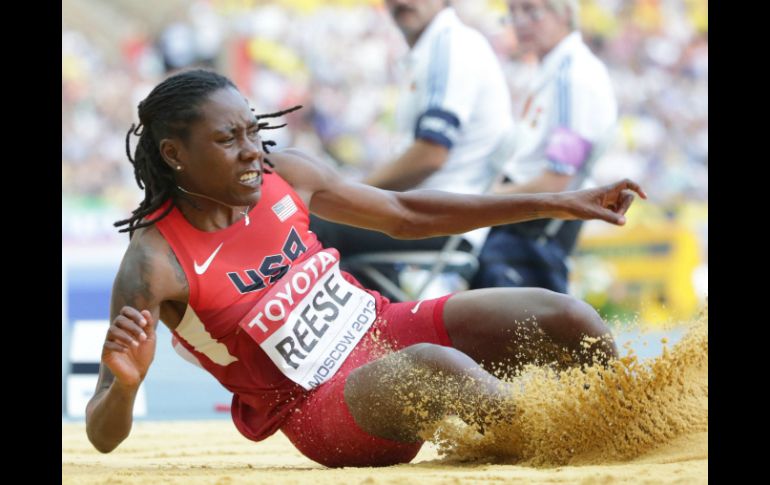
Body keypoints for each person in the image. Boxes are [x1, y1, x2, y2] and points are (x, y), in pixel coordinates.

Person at [85, 69, 645, 468]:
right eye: (228, 140)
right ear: (174, 154)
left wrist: (558, 201)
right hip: (322, 407)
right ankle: (577, 449)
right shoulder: (154, 263)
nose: (253, 150)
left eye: (253, 130)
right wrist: (125, 390)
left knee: (564, 316)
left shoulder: (286, 175)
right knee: (434, 366)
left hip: (385, 327)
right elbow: (102, 436)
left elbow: (405, 212)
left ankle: (637, 426)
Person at [309, 0, 515, 283]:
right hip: (437, 214)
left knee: (306, 224)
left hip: (441, 218)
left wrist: (349, 194)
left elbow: (431, 154)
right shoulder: (435, 47)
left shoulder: (449, 44)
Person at [471, 0, 618, 293]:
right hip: (525, 220)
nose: (521, 21)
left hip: (534, 229)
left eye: (531, 10)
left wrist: (482, 200)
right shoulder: (552, 71)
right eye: (513, 13)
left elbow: (558, 179)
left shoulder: (572, 76)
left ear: (564, 13)